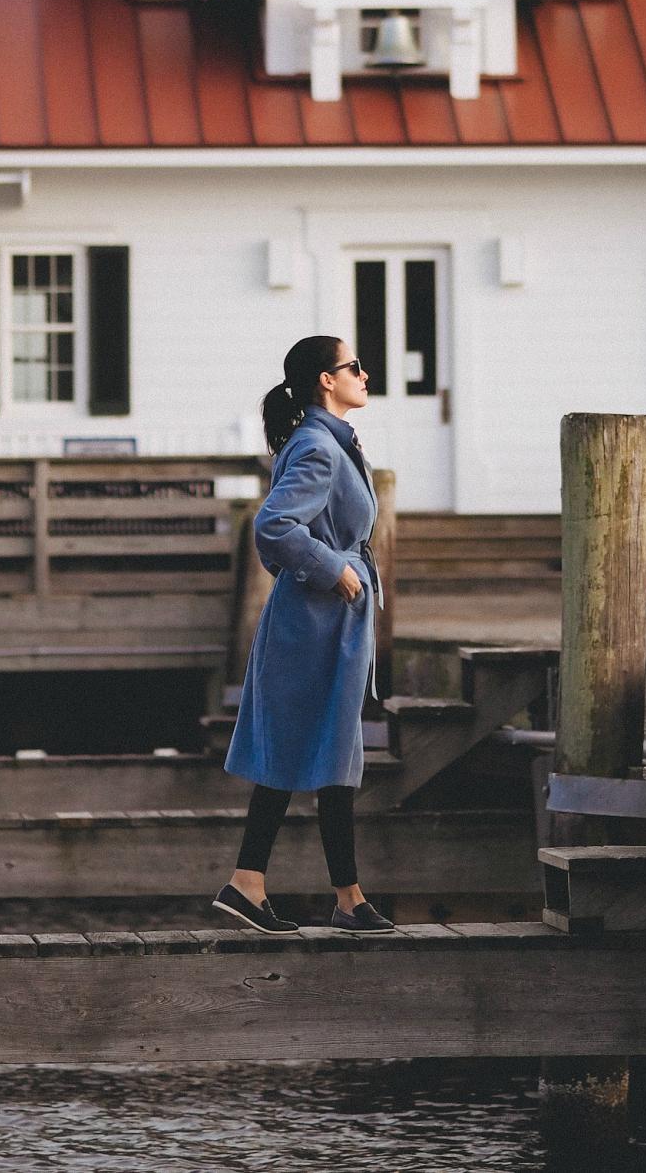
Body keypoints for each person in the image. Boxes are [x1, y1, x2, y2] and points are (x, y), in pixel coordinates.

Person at [213, 333, 396, 936]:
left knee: (308, 746)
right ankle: (345, 898)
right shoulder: (319, 446)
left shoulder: (328, 442)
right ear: (326, 379)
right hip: (318, 619)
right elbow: (274, 526)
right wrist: (333, 567)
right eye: (355, 366)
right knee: (330, 749)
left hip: (322, 620)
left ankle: (251, 882)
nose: (365, 375)